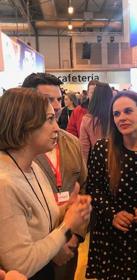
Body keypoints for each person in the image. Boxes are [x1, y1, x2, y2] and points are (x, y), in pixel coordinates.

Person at [0, 88, 92, 279]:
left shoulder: (32, 166)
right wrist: (67, 225)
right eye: (49, 119)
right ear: (24, 124)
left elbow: (38, 221)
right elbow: (21, 264)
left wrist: (69, 208)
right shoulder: (5, 183)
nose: (57, 127)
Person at [86, 91, 137, 280]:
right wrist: (112, 214)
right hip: (111, 234)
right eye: (116, 114)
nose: (122, 118)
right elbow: (93, 189)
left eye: (128, 111)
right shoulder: (103, 148)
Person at [22, 72, 87, 280]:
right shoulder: (16, 150)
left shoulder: (72, 142)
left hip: (70, 246)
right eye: (48, 100)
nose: (57, 106)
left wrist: (74, 236)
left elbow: (82, 189)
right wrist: (53, 246)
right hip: (31, 253)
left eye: (58, 99)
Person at [79, 82, 113, 164]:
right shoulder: (115, 117)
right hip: (116, 160)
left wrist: (83, 172)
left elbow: (84, 149)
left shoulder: (87, 120)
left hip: (97, 163)